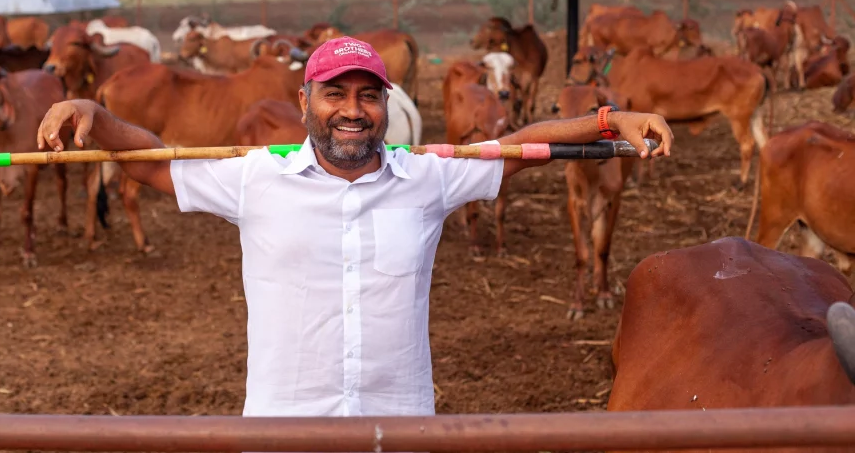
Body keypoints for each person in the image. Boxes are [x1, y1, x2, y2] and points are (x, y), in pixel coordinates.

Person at [37, 36, 673, 417]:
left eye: (367, 96)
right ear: (305, 103)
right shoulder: (256, 179)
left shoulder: (427, 178)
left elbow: (520, 145)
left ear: (387, 106)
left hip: (396, 428)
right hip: (283, 430)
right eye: (334, 94)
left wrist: (610, 121)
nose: (352, 110)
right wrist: (89, 108)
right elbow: (151, 160)